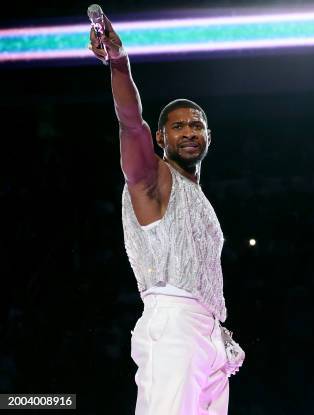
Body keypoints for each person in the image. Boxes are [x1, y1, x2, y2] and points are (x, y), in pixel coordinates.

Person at [88, 13, 242, 415]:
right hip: (172, 323)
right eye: (178, 127)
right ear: (161, 138)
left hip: (208, 334)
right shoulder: (150, 178)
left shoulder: (199, 196)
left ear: (209, 135)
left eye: (197, 125)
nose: (189, 131)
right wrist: (119, 63)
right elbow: (129, 124)